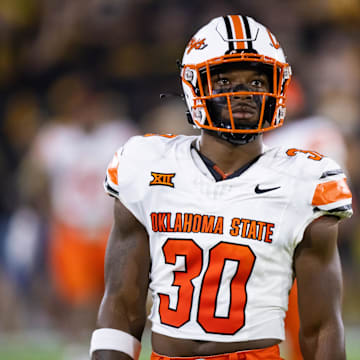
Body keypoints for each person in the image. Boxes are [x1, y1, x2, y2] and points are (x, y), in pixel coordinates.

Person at [90, 15, 353, 360]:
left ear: (278, 88)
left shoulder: (304, 181)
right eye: (226, 81)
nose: (243, 94)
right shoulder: (146, 165)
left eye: (257, 82)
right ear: (194, 86)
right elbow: (122, 305)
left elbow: (321, 327)